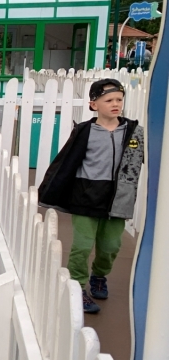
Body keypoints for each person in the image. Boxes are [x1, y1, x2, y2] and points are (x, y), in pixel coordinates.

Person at [38, 79, 145, 314]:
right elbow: (66, 162)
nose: (115, 104)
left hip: (118, 199)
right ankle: (78, 287)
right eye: (109, 100)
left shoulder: (133, 132)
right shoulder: (85, 131)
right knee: (82, 246)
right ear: (94, 104)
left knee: (110, 246)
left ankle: (99, 276)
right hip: (87, 196)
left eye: (119, 99)